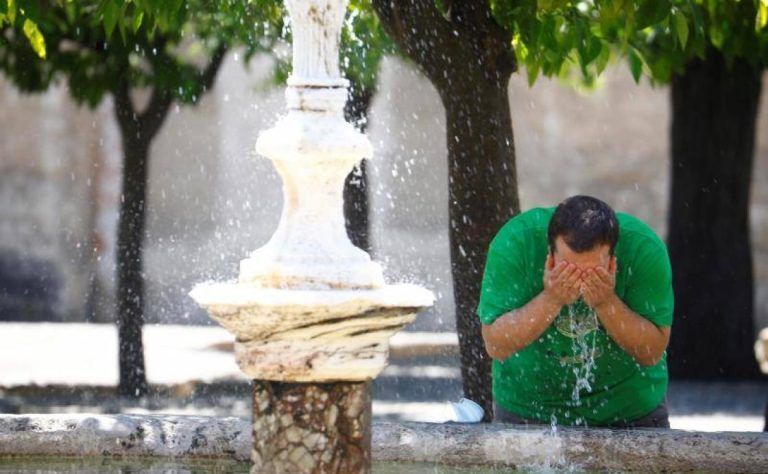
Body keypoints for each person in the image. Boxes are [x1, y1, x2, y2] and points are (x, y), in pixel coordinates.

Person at [477, 195, 673, 428]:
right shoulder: (516, 243)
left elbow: (651, 352)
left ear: (612, 262)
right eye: (567, 269)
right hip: (529, 409)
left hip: (630, 410)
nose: (579, 281)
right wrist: (551, 299)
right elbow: (495, 345)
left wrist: (606, 302)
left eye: (592, 272)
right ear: (549, 257)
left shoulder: (643, 249)